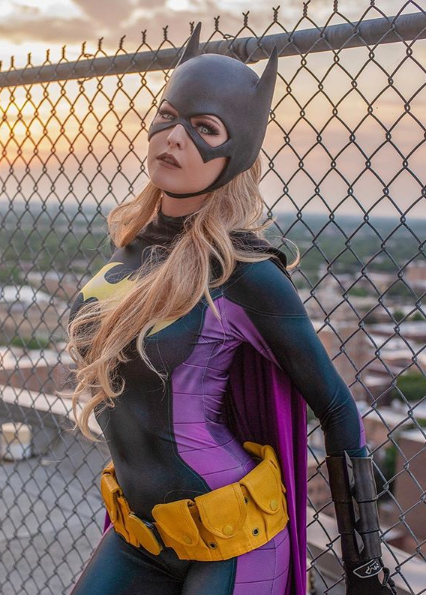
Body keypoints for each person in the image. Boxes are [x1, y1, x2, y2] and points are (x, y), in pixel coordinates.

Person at [66, 22, 396, 595]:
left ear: (234, 150)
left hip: (234, 541)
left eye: (205, 128)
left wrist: (364, 568)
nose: (175, 138)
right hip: (140, 534)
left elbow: (338, 407)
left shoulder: (245, 274)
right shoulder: (133, 248)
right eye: (168, 116)